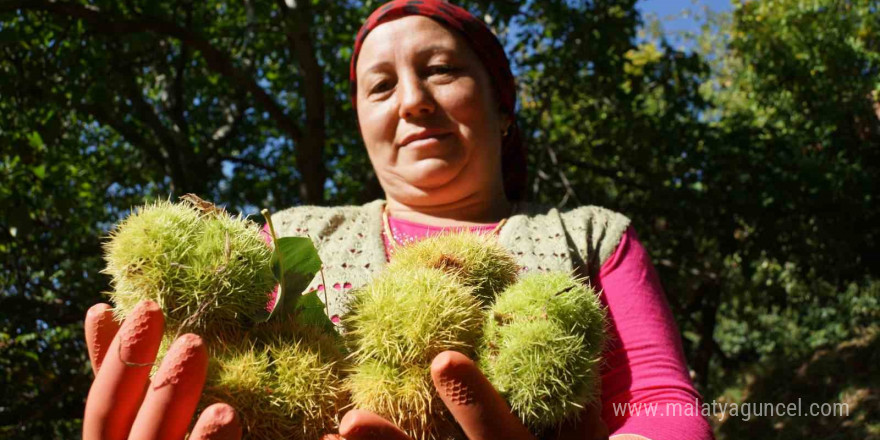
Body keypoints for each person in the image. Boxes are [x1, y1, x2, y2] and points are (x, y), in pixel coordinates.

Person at [81, 1, 714, 439]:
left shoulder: (588, 235)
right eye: (380, 87)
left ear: (502, 108)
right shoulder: (286, 236)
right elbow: (223, 355)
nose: (413, 100)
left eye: (441, 70)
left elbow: (660, 403)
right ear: (361, 123)